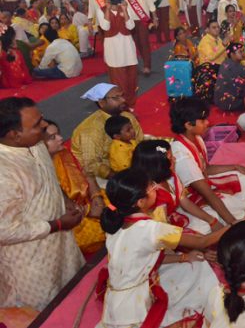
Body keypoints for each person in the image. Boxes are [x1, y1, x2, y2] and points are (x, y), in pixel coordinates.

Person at [96, 168, 223, 328]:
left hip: (114, 307)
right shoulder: (150, 229)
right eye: (151, 187)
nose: (156, 187)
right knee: (199, 279)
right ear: (140, 202)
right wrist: (233, 227)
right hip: (134, 312)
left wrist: (183, 258)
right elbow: (202, 243)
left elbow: (143, 258)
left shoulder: (115, 225)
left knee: (195, 264)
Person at [0, 97, 84, 310]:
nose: (45, 126)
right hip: (30, 261)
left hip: (61, 244)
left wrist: (64, 199)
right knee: (44, 313)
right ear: (14, 135)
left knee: (75, 296)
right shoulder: (4, 171)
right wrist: (56, 225)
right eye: (37, 124)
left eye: (42, 119)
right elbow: (5, 230)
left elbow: (48, 177)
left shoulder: (35, 143)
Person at [170, 97, 245, 226]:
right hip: (190, 200)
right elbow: (208, 194)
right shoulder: (181, 155)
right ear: (188, 125)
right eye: (203, 120)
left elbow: (206, 169)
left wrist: (234, 167)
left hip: (203, 185)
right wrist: (234, 223)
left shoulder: (197, 138)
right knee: (227, 208)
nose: (208, 122)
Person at [132, 139, 224, 234]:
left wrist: (211, 220)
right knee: (204, 230)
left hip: (171, 216)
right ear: (158, 166)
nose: (175, 159)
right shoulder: (154, 195)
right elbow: (162, 231)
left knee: (213, 217)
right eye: (171, 158)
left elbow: (184, 201)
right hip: (162, 227)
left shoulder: (171, 176)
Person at [43, 119, 106, 253]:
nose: (60, 138)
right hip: (73, 218)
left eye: (58, 134)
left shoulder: (64, 153)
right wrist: (85, 211)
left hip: (89, 200)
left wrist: (97, 198)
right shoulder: (39, 170)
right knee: (97, 234)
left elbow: (87, 175)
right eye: (52, 138)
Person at [71, 83, 144, 185]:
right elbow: (91, 165)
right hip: (102, 176)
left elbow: (140, 141)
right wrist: (122, 178)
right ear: (101, 102)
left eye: (122, 95)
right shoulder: (91, 130)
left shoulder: (127, 116)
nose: (123, 100)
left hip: (131, 165)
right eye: (116, 97)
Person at [97, 0, 139, 108]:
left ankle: (131, 106)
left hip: (128, 48)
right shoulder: (101, 10)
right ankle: (121, 108)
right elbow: (105, 27)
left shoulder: (125, 7)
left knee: (131, 81)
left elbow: (131, 26)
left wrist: (125, 10)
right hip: (113, 50)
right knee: (118, 82)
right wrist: (108, 10)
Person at [119, 0, 156, 76]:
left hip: (142, 19)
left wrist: (155, 17)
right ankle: (141, 63)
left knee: (144, 42)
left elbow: (150, 1)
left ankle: (147, 66)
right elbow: (121, 3)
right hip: (130, 20)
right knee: (136, 43)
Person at [194, 20, 230, 103]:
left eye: (218, 27)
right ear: (207, 30)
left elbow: (224, 54)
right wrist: (224, 45)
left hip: (219, 67)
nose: (217, 29)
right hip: (208, 69)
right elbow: (211, 57)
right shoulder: (205, 41)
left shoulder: (217, 38)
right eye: (214, 27)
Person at [214, 42, 245, 112]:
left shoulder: (225, 63)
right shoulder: (236, 66)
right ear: (232, 54)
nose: (243, 54)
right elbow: (244, 85)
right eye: (240, 52)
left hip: (220, 101)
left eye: (243, 51)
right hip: (230, 103)